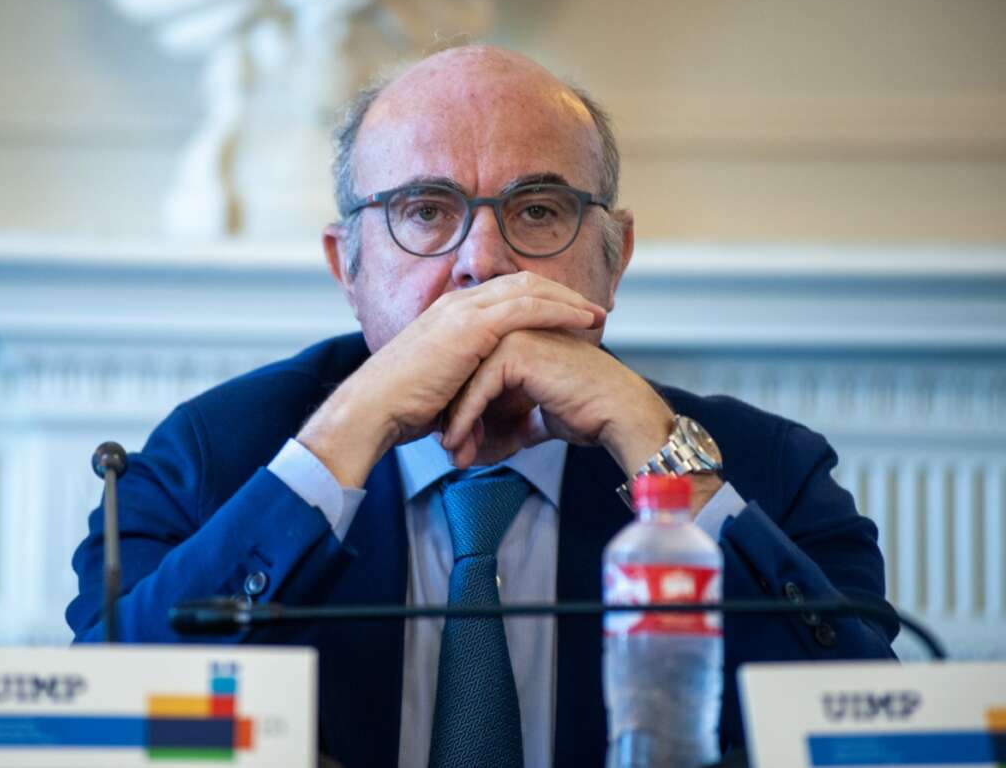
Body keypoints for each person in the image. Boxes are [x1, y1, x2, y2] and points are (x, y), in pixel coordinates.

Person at [67, 46, 897, 767]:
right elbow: (100, 721)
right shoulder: (213, 460)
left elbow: (872, 735)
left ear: (616, 258)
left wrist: (661, 455)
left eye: (538, 210)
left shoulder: (767, 473)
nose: (484, 263)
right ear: (346, 266)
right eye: (425, 212)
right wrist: (345, 437)